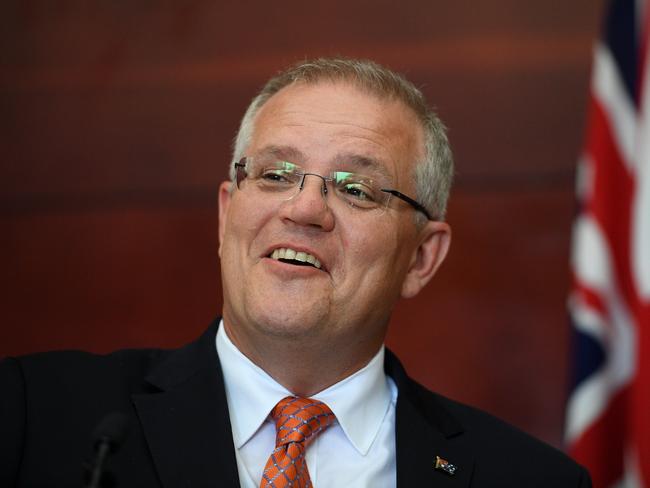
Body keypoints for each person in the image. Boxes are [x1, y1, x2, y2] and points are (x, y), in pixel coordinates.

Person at [0, 58, 591, 487]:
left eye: (355, 188)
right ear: (228, 213)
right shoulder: (34, 415)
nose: (304, 209)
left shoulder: (529, 478)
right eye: (277, 174)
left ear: (420, 258)